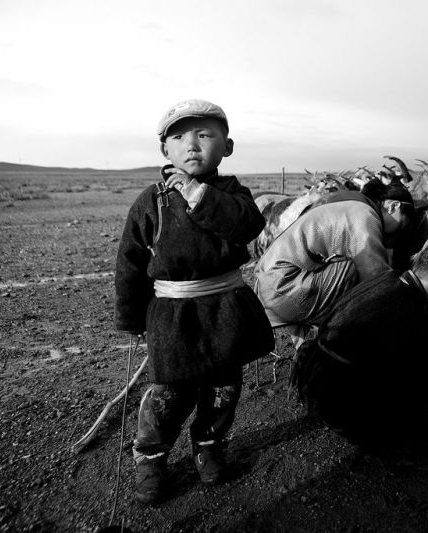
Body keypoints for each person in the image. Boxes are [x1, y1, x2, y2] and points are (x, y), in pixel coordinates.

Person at [115, 99, 274, 504]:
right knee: (170, 392)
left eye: (205, 135)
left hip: (225, 307)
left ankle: (209, 446)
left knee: (224, 388)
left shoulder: (234, 194)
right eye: (180, 137)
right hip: (174, 314)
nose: (192, 145)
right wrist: (131, 317)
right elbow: (130, 261)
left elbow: (247, 226)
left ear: (227, 146)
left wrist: (197, 193)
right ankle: (151, 457)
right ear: (164, 150)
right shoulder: (151, 201)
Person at [291, 240, 428, 445]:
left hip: (314, 378)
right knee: (427, 393)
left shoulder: (387, 279)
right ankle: (375, 436)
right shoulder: (411, 316)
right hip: (338, 407)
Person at [253, 180, 415, 346]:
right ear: (393, 206)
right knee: (358, 269)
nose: (399, 232)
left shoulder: (347, 203)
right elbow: (375, 273)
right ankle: (343, 337)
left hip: (270, 284)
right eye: (402, 224)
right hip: (283, 288)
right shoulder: (364, 214)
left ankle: (313, 342)